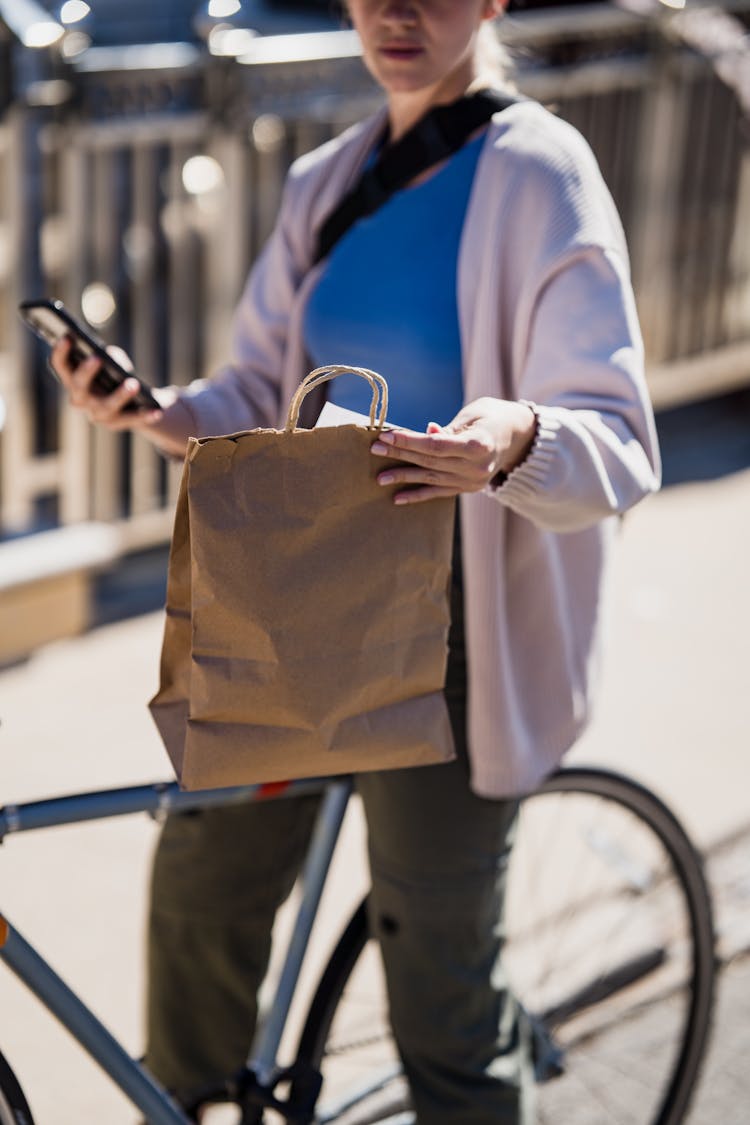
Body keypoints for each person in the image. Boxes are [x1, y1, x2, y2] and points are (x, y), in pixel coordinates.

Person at [51, 1, 661, 1121]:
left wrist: (510, 440)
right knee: (201, 892)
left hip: (460, 628)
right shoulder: (328, 179)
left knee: (438, 994)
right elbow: (257, 395)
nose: (397, 11)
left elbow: (618, 438)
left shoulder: (542, 174)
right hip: (304, 590)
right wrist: (153, 410)